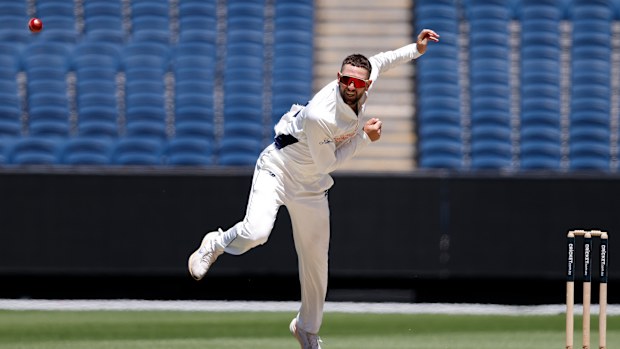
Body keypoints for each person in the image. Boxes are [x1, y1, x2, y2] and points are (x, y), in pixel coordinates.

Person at [188, 28, 440, 349]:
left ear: (367, 83)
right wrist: (364, 137)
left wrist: (416, 49)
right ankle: (216, 243)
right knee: (256, 233)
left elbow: (383, 60)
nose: (351, 86)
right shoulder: (321, 115)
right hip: (279, 168)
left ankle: (306, 329)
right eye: (346, 79)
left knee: (316, 260)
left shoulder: (363, 79)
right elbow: (328, 163)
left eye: (358, 82)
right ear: (337, 77)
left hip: (311, 185)